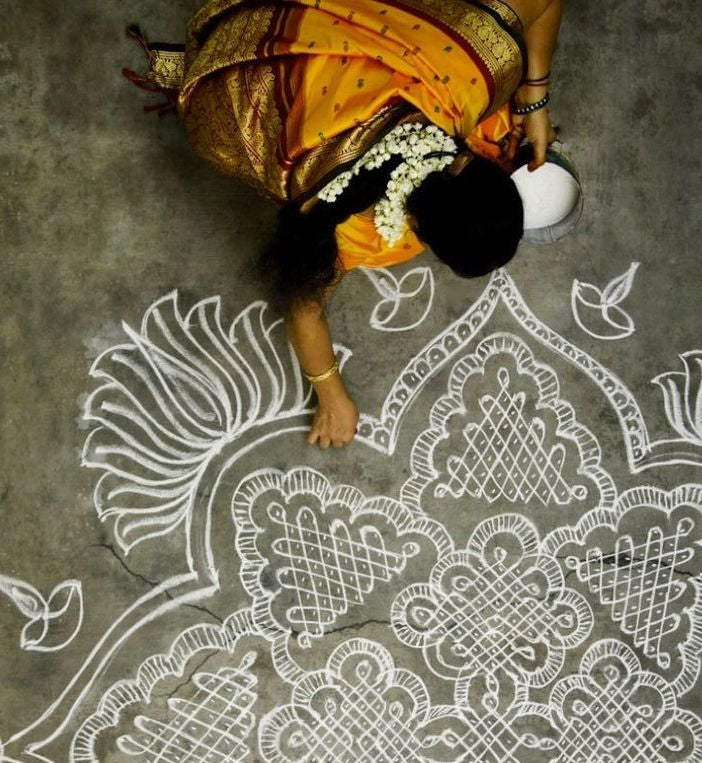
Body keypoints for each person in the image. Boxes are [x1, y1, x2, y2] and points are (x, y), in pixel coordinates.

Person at [126, 0, 562, 448]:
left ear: (469, 157)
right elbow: (304, 303)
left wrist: (534, 98)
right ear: (418, 227)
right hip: (233, 88)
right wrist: (332, 396)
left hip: (306, 33)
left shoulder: (469, 78)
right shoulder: (346, 225)